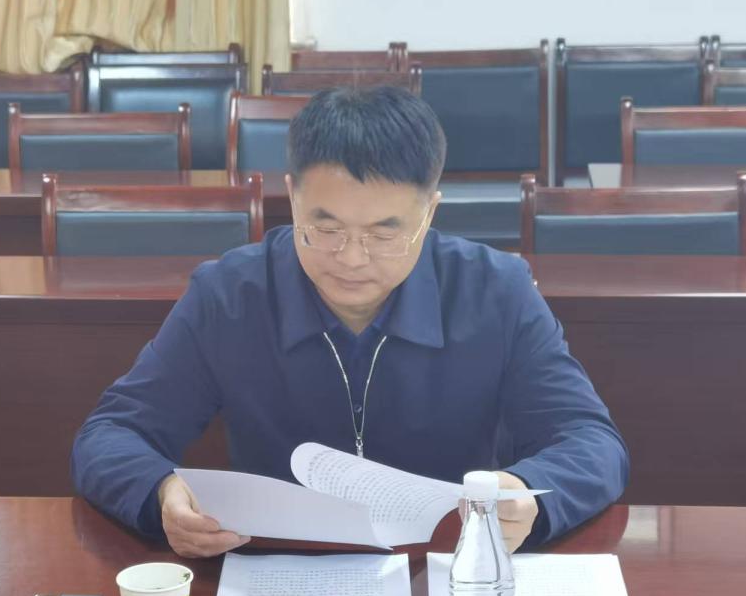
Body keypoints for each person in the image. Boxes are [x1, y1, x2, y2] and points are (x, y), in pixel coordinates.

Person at [72, 86, 628, 558]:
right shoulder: (230, 296)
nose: (353, 258)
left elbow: (592, 442)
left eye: (385, 233)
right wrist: (160, 491)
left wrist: (527, 492)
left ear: (430, 212)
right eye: (326, 228)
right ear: (292, 199)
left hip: (443, 571)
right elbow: (110, 434)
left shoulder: (495, 292)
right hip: (279, 574)